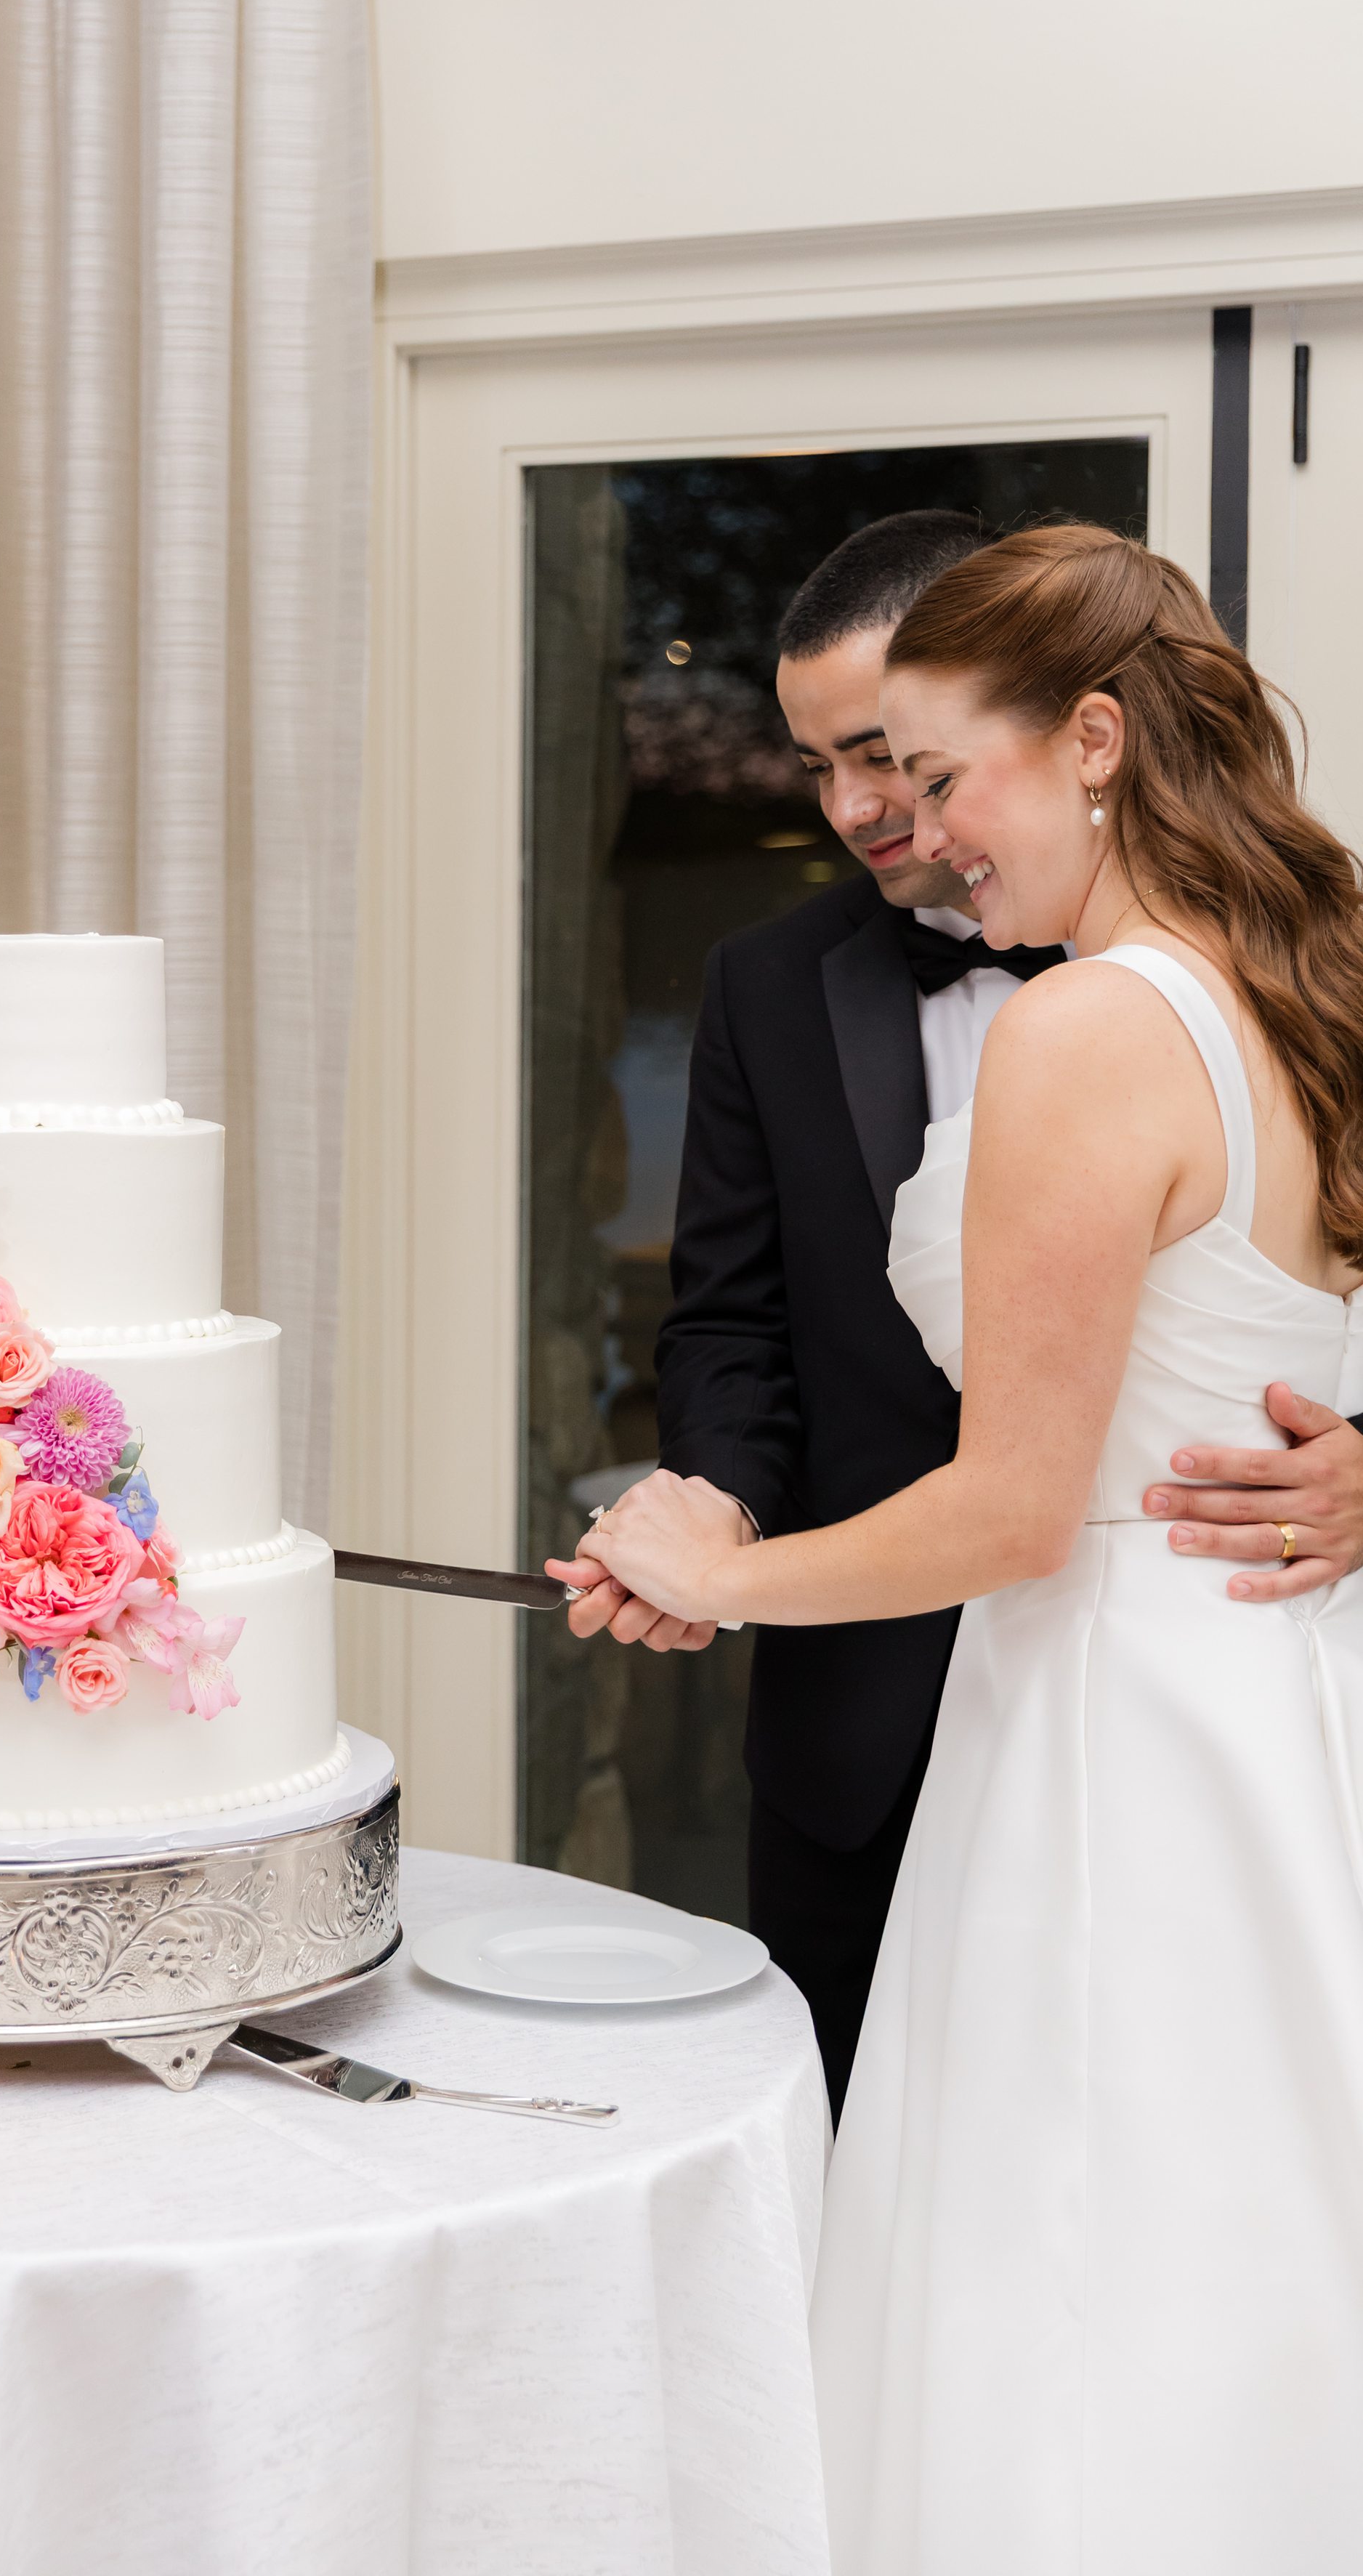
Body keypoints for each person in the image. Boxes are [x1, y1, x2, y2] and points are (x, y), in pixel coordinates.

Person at [557, 524, 1363, 2567]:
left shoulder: (1093, 1029)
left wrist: (717, 1575)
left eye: (937, 768)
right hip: (1276, 1706)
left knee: (1061, 2282)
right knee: (1242, 2261)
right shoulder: (1307, 980)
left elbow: (1018, 1505)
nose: (906, 826)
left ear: (1092, 741)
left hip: (1107, 1726)